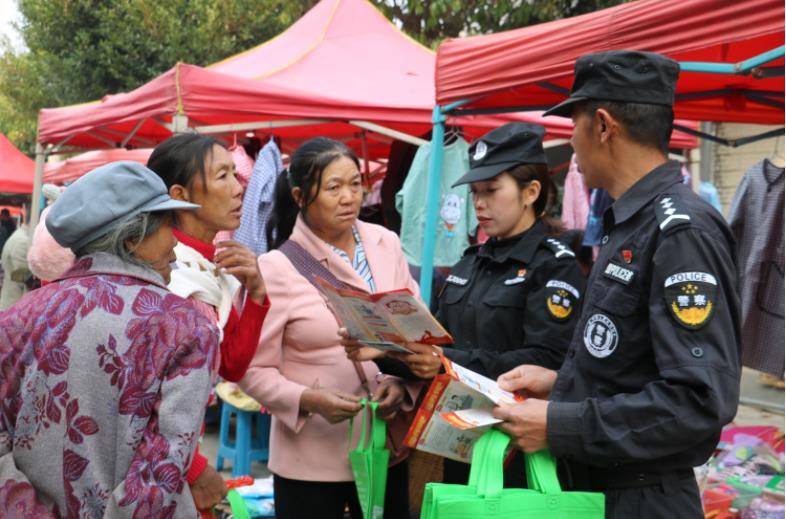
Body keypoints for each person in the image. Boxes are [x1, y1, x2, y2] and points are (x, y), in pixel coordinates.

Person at [492, 50, 740, 518]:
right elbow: (631, 362)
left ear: (603, 125)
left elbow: (697, 401)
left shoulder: (680, 230)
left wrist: (560, 423)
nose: (571, 141)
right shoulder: (628, 221)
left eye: (574, 123)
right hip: (598, 489)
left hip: (640, 498)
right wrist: (563, 385)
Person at [345, 123, 586, 486]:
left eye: (491, 191)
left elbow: (547, 361)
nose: (479, 204)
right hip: (459, 445)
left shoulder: (554, 264)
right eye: (474, 192)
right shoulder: (470, 261)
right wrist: (381, 351)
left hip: (521, 450)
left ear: (531, 192)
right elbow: (437, 348)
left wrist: (445, 363)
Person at [0, 162, 219, 517]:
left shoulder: (16, 319)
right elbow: (158, 475)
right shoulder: (185, 326)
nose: (175, 244)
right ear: (132, 238)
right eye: (167, 227)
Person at [239, 137, 419, 519]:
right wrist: (307, 400)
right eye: (333, 188)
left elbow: (416, 332)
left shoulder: (386, 243)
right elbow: (252, 369)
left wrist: (403, 383)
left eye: (355, 184)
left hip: (384, 449)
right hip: (311, 462)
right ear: (302, 196)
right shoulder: (276, 267)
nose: (349, 197)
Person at [146, 133, 270, 511]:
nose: (239, 188)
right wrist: (197, 470)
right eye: (223, 177)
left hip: (182, 455)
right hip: (156, 468)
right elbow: (143, 400)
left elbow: (231, 365)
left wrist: (258, 294)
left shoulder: (216, 265)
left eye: (236, 175)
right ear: (181, 194)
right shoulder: (164, 273)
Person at [0, 220, 31, 310]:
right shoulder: (22, 241)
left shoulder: (21, 237)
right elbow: (25, 276)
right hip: (14, 304)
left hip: (12, 302)